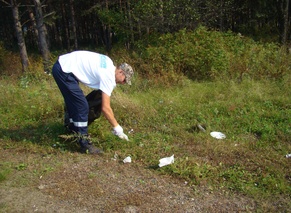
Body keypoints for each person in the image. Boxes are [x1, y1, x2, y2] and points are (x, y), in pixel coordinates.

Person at [52, 50, 134, 154]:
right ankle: (84, 143)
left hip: (64, 65)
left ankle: (72, 130)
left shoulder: (108, 62)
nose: (123, 83)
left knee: (77, 103)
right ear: (121, 72)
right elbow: (106, 108)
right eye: (124, 80)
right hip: (64, 70)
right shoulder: (108, 76)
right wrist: (117, 128)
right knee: (82, 106)